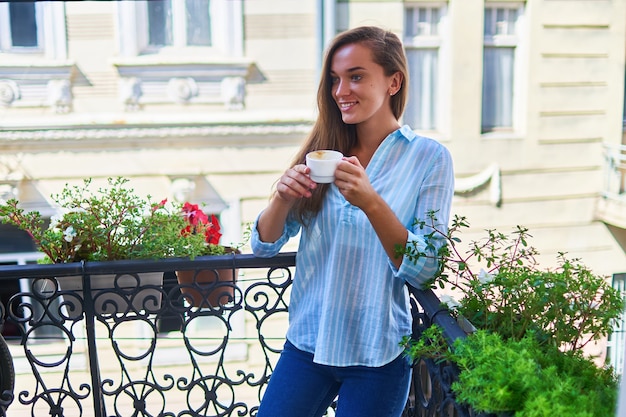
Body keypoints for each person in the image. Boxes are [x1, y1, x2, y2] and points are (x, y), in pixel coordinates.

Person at [251, 26, 455, 417]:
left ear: (393, 81)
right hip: (308, 343)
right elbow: (265, 244)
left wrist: (371, 202)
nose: (341, 90)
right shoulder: (323, 151)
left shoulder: (430, 158)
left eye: (356, 76)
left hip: (376, 355)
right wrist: (281, 197)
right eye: (335, 79)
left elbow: (427, 267)